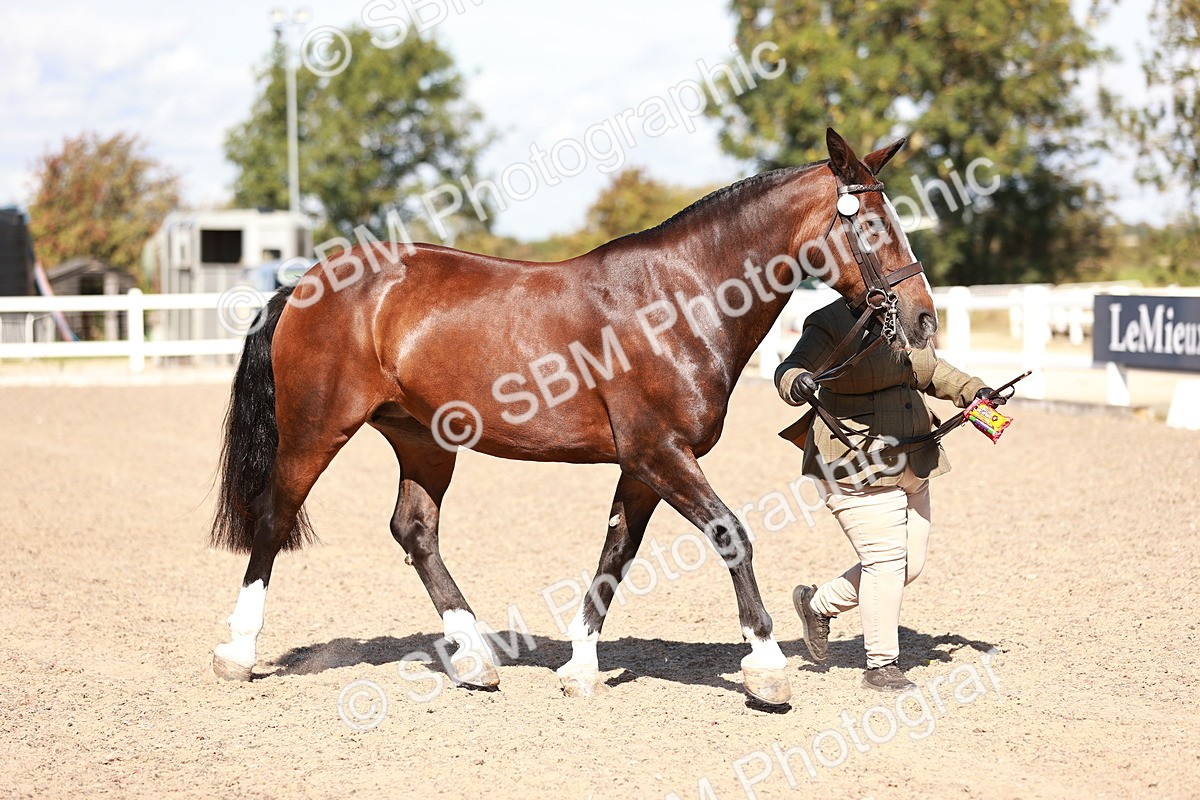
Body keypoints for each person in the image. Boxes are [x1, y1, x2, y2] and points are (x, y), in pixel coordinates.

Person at [775, 298, 1002, 692]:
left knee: (908, 565)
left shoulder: (903, 317)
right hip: (854, 463)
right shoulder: (828, 322)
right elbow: (789, 368)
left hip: (914, 458)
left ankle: (818, 604)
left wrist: (975, 390)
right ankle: (881, 666)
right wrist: (795, 382)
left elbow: (932, 372)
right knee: (884, 561)